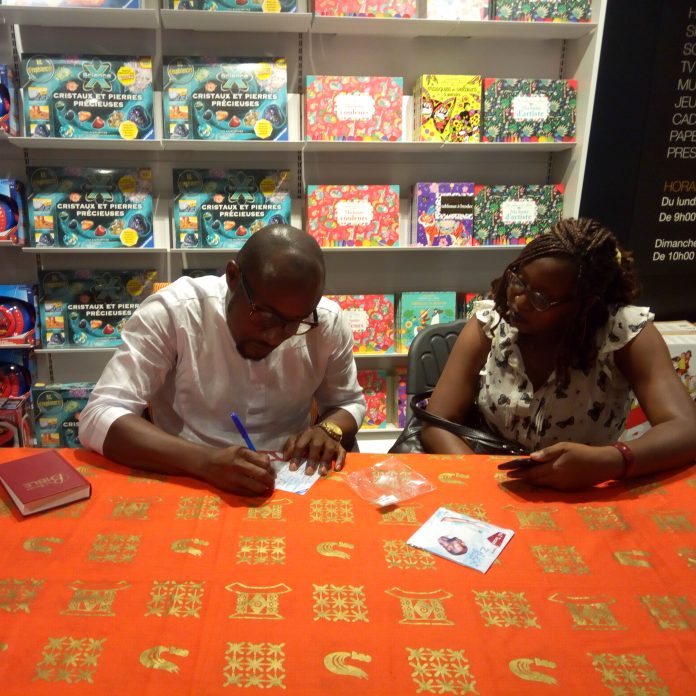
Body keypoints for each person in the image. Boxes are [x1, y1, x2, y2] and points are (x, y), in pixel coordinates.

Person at [78, 224, 366, 496]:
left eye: (294, 323)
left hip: (291, 482)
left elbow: (349, 402)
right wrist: (205, 462)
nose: (275, 336)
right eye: (265, 317)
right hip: (189, 477)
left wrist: (328, 429)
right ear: (232, 277)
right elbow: (99, 415)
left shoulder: (325, 321)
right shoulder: (175, 312)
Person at [420, 217, 696, 490]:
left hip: (587, 488)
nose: (518, 300)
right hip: (492, 482)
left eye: (540, 298)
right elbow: (437, 423)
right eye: (519, 280)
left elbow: (687, 429)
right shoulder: (490, 322)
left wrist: (610, 461)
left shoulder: (624, 332)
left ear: (585, 304)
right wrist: (486, 483)